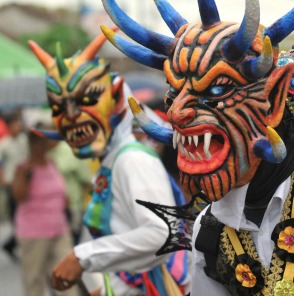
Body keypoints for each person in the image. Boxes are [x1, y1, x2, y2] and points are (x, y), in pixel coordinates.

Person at [102, 0, 294, 294]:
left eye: (217, 89)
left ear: (272, 100)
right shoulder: (208, 231)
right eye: (175, 92)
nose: (177, 112)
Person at [29, 31, 188, 295]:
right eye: (59, 107)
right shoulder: (113, 161)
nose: (70, 116)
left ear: (115, 100)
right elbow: (129, 242)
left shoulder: (132, 160)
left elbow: (162, 233)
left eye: (87, 101)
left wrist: (82, 257)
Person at [12, 126, 79, 296]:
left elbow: (60, 191)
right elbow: (19, 196)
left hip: (59, 228)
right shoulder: (23, 168)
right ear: (34, 144)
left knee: (67, 277)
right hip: (34, 233)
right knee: (34, 280)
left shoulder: (51, 163)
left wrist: (64, 201)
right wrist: (26, 177)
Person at [0, 111, 28, 261]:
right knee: (16, 218)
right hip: (11, 185)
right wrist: (3, 178)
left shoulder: (24, 140)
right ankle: (13, 245)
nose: (17, 127)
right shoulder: (4, 144)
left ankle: (14, 245)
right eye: (14, 124)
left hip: (26, 183)